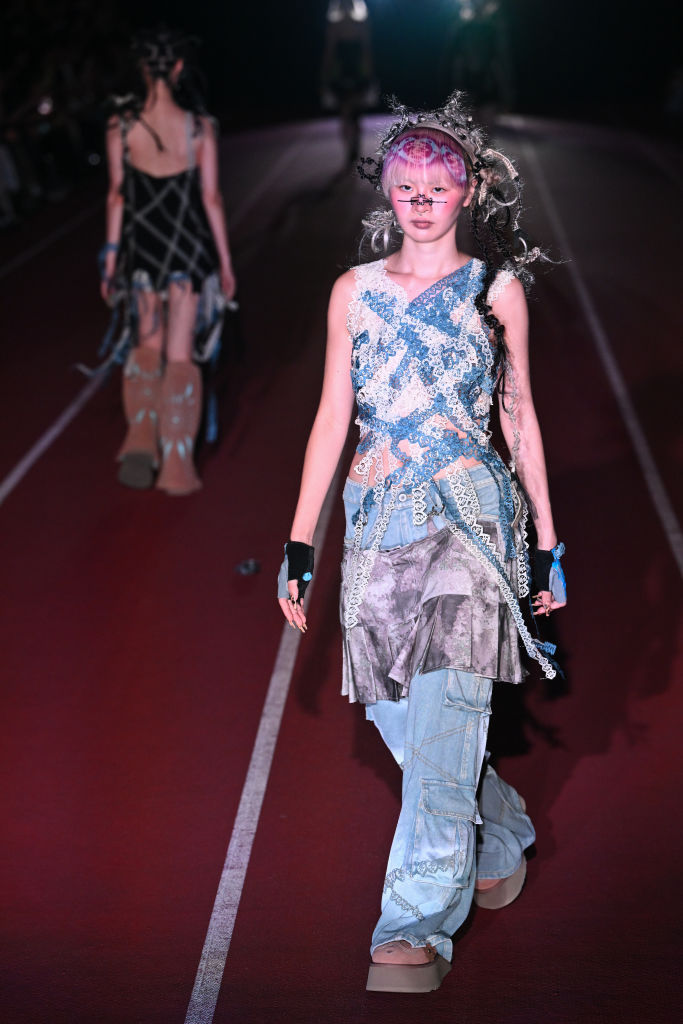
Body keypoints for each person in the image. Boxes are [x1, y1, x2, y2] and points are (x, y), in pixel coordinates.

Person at [277, 93, 567, 993]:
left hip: (469, 525)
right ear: (387, 193)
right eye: (402, 184)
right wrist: (299, 542)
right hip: (375, 527)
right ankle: (501, 821)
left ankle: (412, 927)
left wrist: (547, 546)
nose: (417, 197)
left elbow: (518, 419)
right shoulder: (353, 293)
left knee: (441, 737)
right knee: (408, 726)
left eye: (435, 184)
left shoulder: (496, 289)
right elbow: (332, 418)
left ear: (468, 190)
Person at [101, 28, 236, 495]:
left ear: (143, 69)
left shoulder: (121, 126)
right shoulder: (199, 127)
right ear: (178, 69)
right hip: (186, 252)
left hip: (143, 252)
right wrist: (224, 263)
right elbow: (212, 197)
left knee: (146, 344)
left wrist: (111, 256)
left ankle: (140, 440)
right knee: (181, 353)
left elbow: (117, 196)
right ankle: (177, 465)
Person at [320, 0, 377, 166]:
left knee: (356, 113)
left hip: (357, 71)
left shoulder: (361, 24)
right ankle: (349, 149)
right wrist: (325, 74)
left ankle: (355, 144)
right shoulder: (334, 26)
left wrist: (370, 73)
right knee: (345, 112)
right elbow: (329, 52)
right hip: (342, 72)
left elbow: (367, 51)